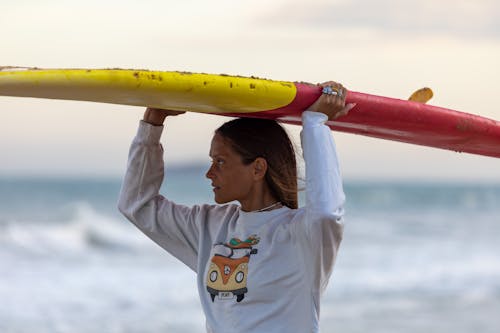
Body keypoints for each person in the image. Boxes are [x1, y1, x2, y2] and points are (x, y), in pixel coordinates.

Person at [118, 81, 355, 332]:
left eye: (220, 162)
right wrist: (152, 123)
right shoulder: (209, 226)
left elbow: (328, 211)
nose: (209, 173)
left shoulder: (301, 234)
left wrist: (315, 124)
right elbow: (137, 205)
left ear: (257, 168)